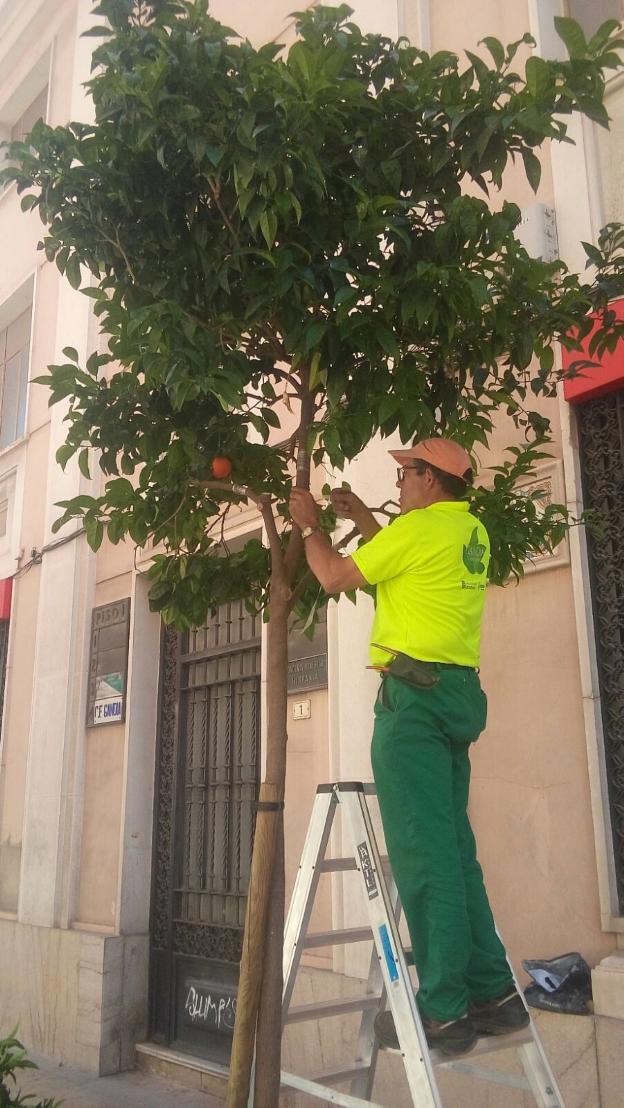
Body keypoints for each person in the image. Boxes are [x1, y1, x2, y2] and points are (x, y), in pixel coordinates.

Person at [289, 437, 529, 1057]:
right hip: (454, 694)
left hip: (414, 704)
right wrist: (367, 522)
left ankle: (444, 1009)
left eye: (407, 472)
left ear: (431, 480)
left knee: (425, 858)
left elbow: (334, 574)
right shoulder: (467, 531)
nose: (399, 482)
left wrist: (312, 525)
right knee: (456, 851)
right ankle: (493, 992)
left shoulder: (419, 531)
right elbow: (407, 575)